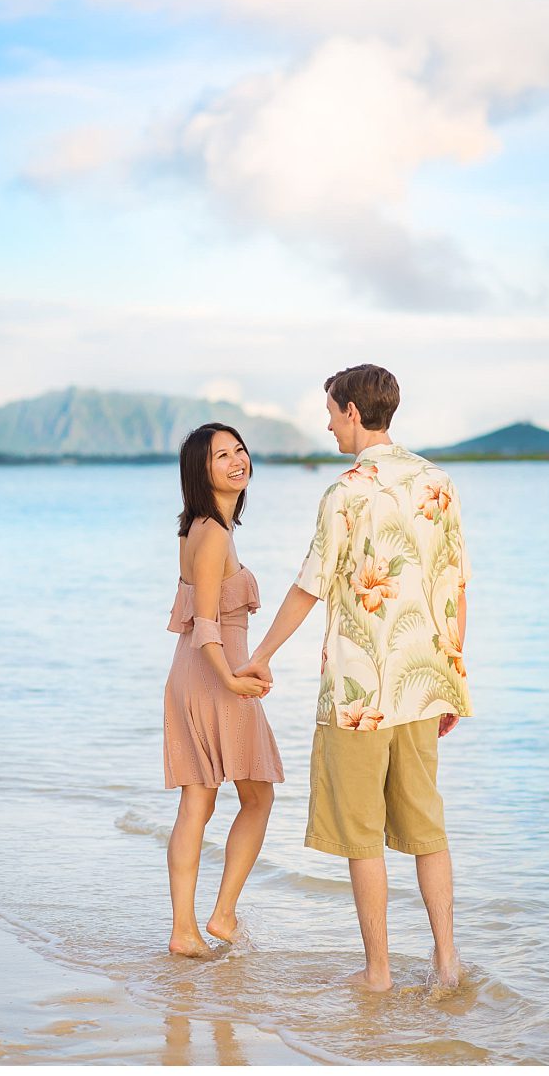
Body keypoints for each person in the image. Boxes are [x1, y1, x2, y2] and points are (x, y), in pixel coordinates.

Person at [237, 363, 471, 990]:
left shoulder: (346, 491)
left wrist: (260, 656)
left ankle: (379, 974)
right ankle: (447, 965)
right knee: (427, 828)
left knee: (363, 835)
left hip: (358, 694)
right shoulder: (437, 482)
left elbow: (309, 586)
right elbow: (454, 588)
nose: (328, 423)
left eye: (332, 411)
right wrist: (451, 673)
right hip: (423, 682)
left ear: (351, 410)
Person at [163, 422, 283, 957]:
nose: (237, 460)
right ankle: (221, 915)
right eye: (221, 456)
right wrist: (234, 677)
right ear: (201, 470)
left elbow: (195, 620)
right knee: (256, 796)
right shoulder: (212, 534)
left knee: (199, 801)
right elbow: (208, 623)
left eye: (239, 450)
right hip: (215, 676)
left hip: (192, 673)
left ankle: (186, 930)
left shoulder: (198, 530)